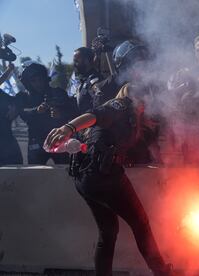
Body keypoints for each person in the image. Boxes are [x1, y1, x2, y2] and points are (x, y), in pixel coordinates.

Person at [43, 42, 173, 276]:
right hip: (103, 177)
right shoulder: (121, 104)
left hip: (84, 181)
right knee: (141, 225)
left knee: (108, 231)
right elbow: (95, 115)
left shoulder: (133, 119)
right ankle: (163, 272)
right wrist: (68, 127)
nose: (145, 101)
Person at [16, 62, 75, 164]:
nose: (38, 83)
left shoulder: (58, 93)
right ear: (27, 82)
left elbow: (72, 112)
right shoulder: (22, 97)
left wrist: (60, 115)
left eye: (40, 79)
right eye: (33, 81)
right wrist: (37, 110)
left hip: (58, 138)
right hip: (36, 141)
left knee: (65, 172)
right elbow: (23, 114)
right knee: (35, 173)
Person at [0, 88, 22, 165]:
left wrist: (15, 107)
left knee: (14, 171)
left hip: (6, 142)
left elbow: (17, 100)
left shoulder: (2, 95)